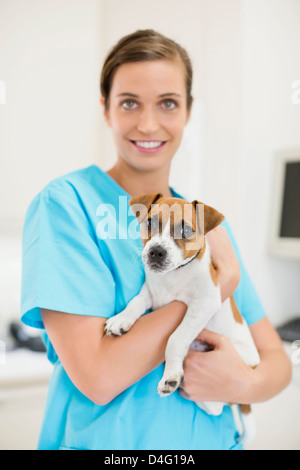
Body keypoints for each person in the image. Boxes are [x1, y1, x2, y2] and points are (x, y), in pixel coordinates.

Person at [20, 29, 291, 450]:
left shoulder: (207, 226)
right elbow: (99, 376)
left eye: (168, 103)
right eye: (129, 102)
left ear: (187, 111)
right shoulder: (67, 205)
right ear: (106, 109)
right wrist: (217, 286)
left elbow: (277, 363)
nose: (148, 123)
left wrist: (244, 383)